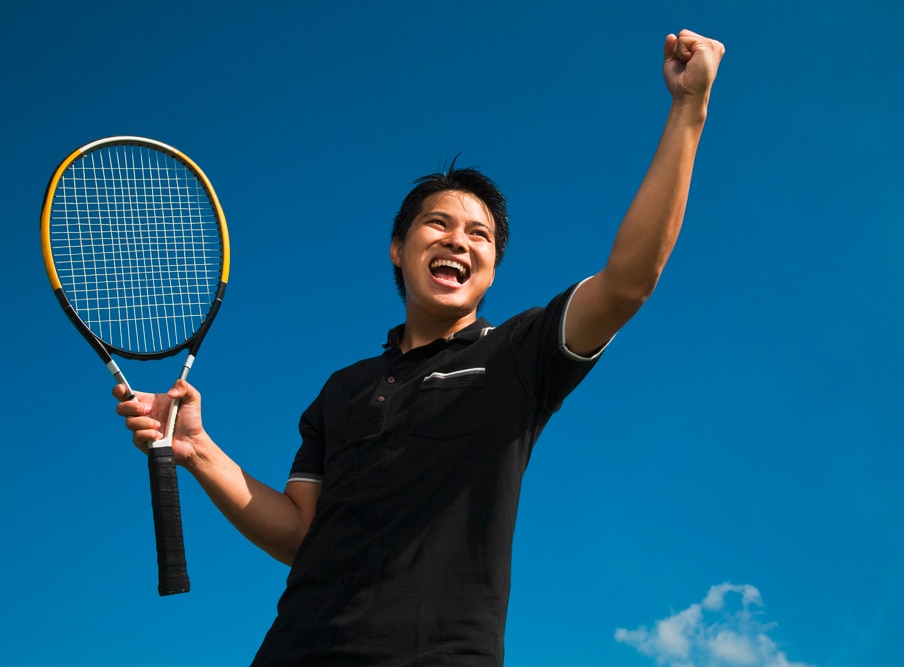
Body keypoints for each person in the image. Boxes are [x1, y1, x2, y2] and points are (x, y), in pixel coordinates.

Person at [115, 28, 724, 666]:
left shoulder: (519, 353)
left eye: (480, 235)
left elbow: (629, 283)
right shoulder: (343, 387)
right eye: (438, 223)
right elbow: (301, 534)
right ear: (398, 250)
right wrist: (197, 449)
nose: (459, 240)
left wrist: (689, 109)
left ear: (491, 269)